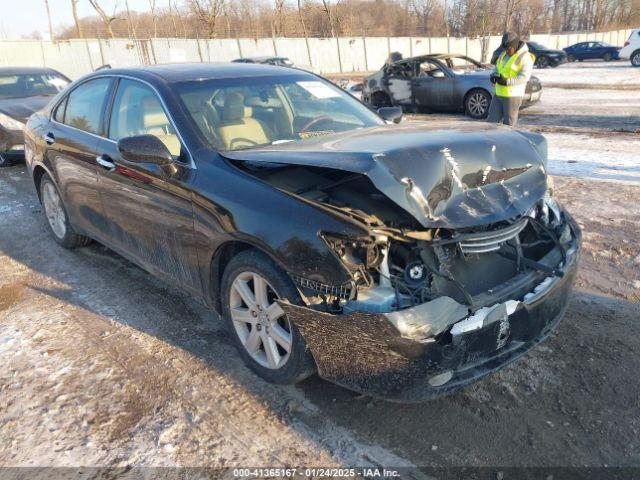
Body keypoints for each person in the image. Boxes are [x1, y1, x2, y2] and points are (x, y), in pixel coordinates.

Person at [487, 32, 534, 126]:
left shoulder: (525, 57)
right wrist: (493, 75)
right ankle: (492, 141)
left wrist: (507, 81)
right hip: (499, 93)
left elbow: (524, 77)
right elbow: (497, 67)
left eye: (509, 48)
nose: (506, 51)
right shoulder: (503, 54)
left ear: (515, 45)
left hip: (512, 96)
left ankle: (506, 141)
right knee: (491, 123)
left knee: (508, 125)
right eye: (504, 48)